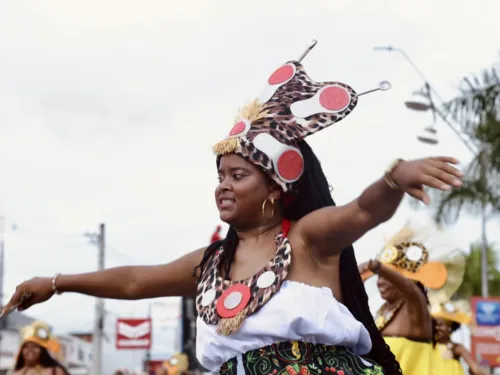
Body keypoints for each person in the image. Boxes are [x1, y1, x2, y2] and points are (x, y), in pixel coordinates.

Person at [2, 40, 464, 375]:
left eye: (237, 176)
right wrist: (58, 283)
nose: (222, 186)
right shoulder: (211, 265)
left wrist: (393, 178)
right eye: (219, 176)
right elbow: (135, 280)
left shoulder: (307, 238)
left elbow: (362, 211)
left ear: (276, 187)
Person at [358, 220, 465, 375]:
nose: (380, 282)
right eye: (378, 277)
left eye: (386, 277)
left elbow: (410, 289)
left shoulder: (416, 307)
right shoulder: (384, 311)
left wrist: (378, 268)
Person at [432, 300, 488, 375]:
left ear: (449, 327)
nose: (437, 328)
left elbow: (475, 369)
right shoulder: (428, 346)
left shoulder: (456, 347)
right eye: (434, 325)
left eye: (440, 325)